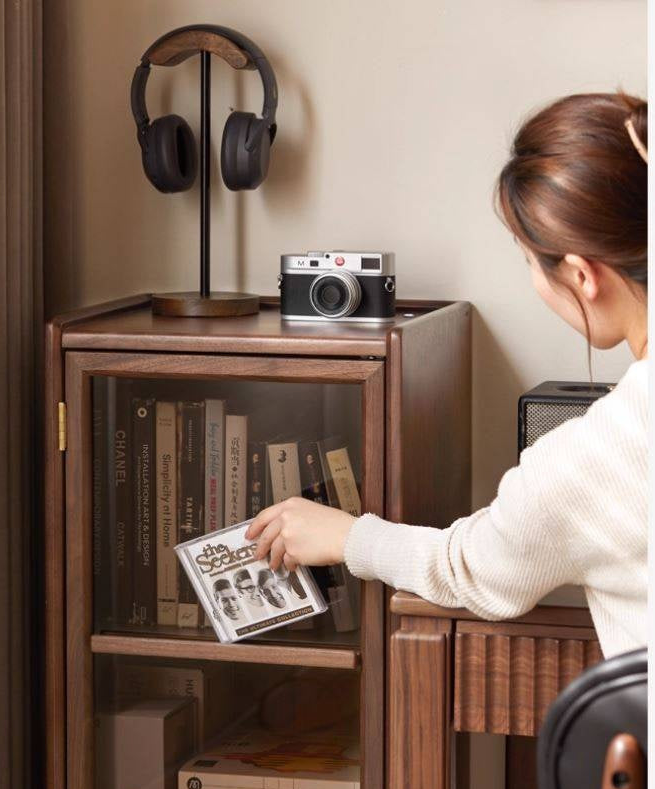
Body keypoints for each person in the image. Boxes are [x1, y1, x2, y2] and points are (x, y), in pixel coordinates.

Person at [246, 92, 647, 659]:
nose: (533, 280)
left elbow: (473, 569)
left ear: (582, 276)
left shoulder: (595, 457)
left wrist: (346, 536)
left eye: (528, 258)